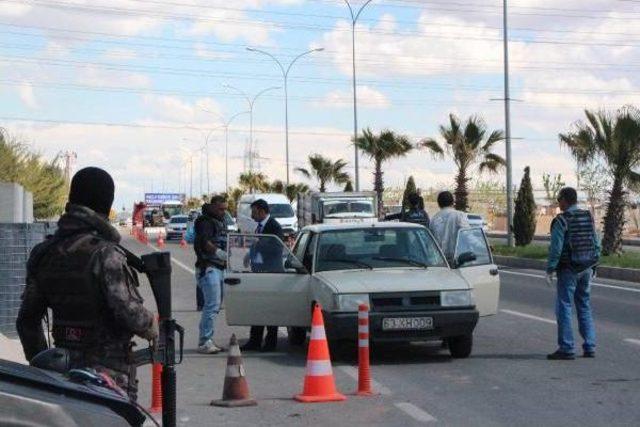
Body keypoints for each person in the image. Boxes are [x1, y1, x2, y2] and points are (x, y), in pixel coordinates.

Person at [16, 167, 158, 401]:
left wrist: (43, 366)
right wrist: (153, 326)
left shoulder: (45, 253)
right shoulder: (105, 254)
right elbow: (131, 316)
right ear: (106, 203)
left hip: (61, 376)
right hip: (107, 379)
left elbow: (27, 321)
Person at [546, 187, 600, 360]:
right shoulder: (587, 217)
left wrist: (550, 269)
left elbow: (556, 248)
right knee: (584, 305)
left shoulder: (561, 220)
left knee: (564, 306)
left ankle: (567, 347)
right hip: (587, 267)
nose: (558, 203)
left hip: (569, 269)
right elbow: (595, 242)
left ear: (564, 200)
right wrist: (594, 265)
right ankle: (590, 346)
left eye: (559, 199)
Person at [241, 199, 284, 352]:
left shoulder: (273, 226)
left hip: (271, 273)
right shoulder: (259, 227)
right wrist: (249, 255)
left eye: (253, 212)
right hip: (259, 272)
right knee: (257, 307)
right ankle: (255, 340)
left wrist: (259, 245)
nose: (252, 215)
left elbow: (276, 247)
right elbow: (257, 244)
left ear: (260, 211)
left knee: (270, 309)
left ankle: (270, 342)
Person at [193, 196, 228, 354]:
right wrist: (218, 252)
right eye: (221, 208)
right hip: (209, 267)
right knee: (211, 305)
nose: (223, 211)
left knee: (215, 306)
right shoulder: (205, 222)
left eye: (225, 208)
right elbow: (205, 242)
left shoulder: (219, 221)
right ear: (213, 207)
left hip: (218, 267)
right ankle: (204, 341)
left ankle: (208, 339)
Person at [429, 191, 469, 264]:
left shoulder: (434, 219)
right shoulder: (460, 216)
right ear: (453, 202)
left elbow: (431, 242)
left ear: (439, 204)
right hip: (458, 260)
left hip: (439, 261)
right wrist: (483, 246)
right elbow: (468, 235)